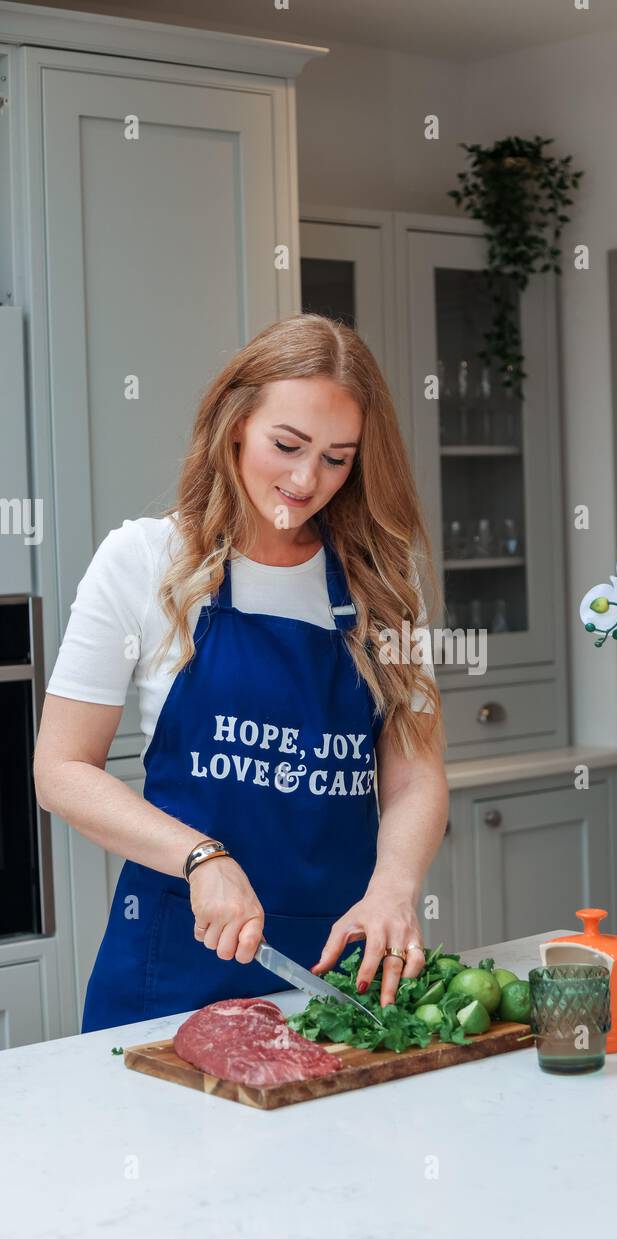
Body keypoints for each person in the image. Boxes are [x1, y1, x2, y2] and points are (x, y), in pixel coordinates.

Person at [34, 314, 449, 1031]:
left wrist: (394, 887)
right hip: (174, 959)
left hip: (336, 964)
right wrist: (199, 857)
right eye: (286, 445)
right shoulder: (144, 560)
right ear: (233, 424)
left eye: (336, 458)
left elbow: (414, 773)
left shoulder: (380, 578)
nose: (304, 479)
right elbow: (62, 768)